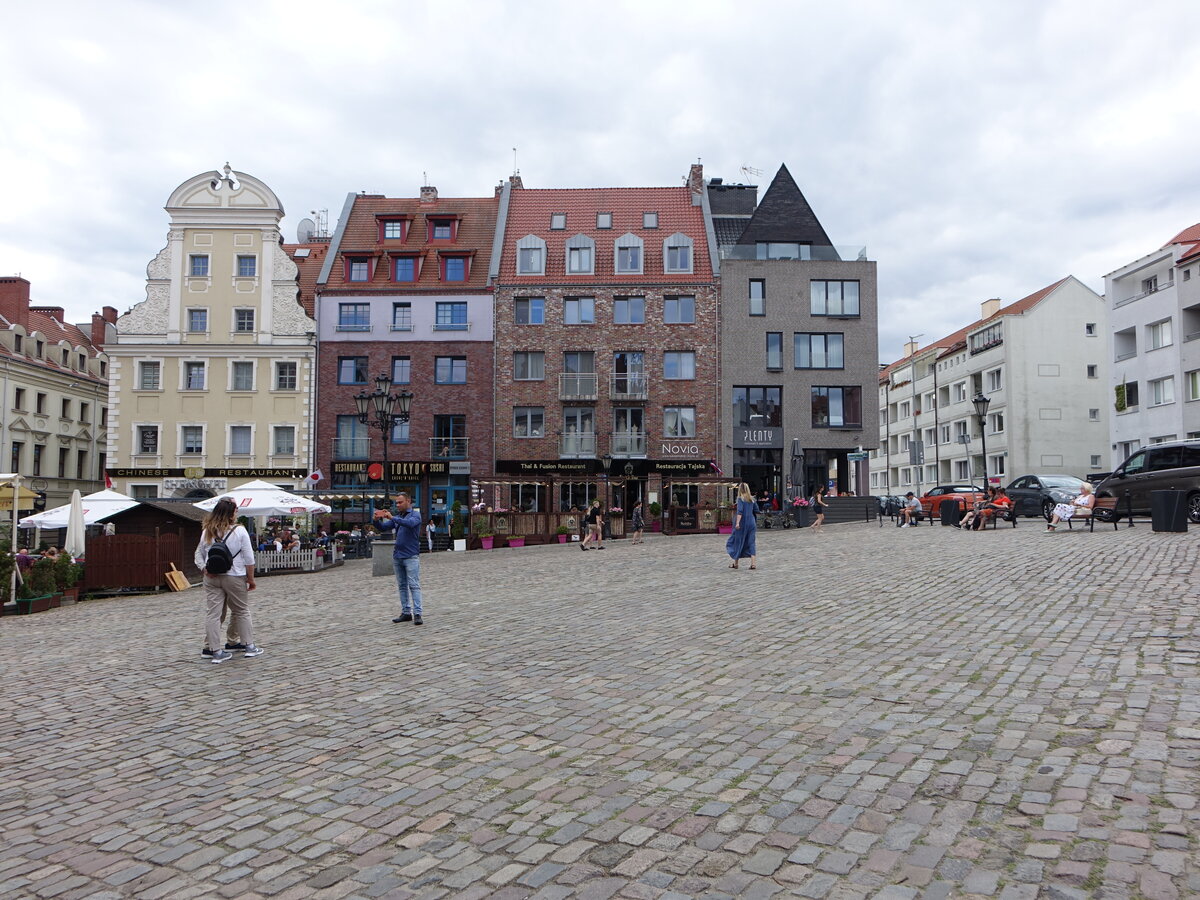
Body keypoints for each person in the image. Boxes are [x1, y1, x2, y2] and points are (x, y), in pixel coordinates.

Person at [195, 497, 261, 664]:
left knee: (214, 614)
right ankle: (249, 646)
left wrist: (204, 568)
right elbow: (249, 558)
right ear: (231, 514)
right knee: (241, 611)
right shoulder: (239, 531)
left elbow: (198, 554)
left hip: (212, 577)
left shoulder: (207, 531)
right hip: (234, 575)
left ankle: (213, 650)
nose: (237, 513)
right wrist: (251, 579)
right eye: (236, 510)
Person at [374, 492, 424, 624]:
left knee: (414, 585)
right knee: (402, 586)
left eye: (400, 502)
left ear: (408, 501)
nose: (398, 505)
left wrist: (392, 518)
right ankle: (406, 612)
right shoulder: (398, 517)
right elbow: (383, 527)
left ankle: (418, 613)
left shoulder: (415, 515)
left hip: (411, 556)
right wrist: (376, 520)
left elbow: (409, 524)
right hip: (398, 556)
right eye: (396, 503)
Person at [726, 482, 758, 569]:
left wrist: (737, 523)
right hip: (751, 523)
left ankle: (736, 563)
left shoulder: (740, 499)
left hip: (742, 523)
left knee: (738, 541)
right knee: (751, 542)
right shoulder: (752, 499)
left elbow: (740, 512)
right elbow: (757, 510)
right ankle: (753, 563)